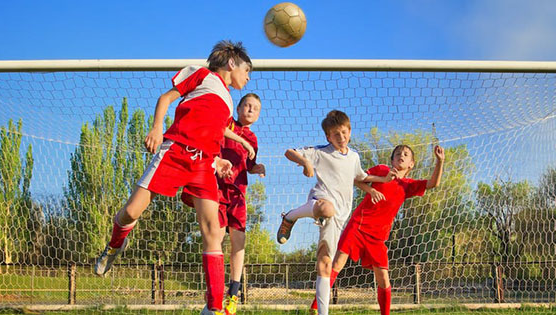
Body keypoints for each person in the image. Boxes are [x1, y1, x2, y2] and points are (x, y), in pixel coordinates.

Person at [93, 40, 253, 315]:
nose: (248, 77)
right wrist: (157, 128)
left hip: (203, 164)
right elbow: (165, 99)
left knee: (213, 231)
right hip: (175, 151)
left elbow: (212, 130)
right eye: (247, 70)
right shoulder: (202, 75)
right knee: (131, 212)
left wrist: (219, 158)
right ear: (231, 63)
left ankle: (214, 307)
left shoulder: (228, 102)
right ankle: (114, 245)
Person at [276, 110, 394, 315]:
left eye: (344, 132)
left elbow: (361, 177)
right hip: (320, 201)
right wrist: (305, 162)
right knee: (326, 208)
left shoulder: (354, 157)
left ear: (349, 131)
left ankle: (322, 312)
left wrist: (380, 183)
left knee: (325, 262)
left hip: (340, 215)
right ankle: (290, 216)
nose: (341, 137)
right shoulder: (321, 152)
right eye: (335, 134)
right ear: (328, 137)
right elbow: (289, 151)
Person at [316, 144, 445, 315]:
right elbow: (355, 178)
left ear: (411, 164)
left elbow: (433, 183)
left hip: (378, 236)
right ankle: (315, 308)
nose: (402, 155)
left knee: (383, 277)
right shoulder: (382, 170)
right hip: (359, 225)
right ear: (392, 160)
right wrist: (370, 190)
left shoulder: (408, 185)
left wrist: (440, 161)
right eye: (398, 153)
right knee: (338, 263)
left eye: (406, 154)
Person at [217, 93, 265, 315]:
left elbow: (249, 165)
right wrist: (240, 140)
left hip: (238, 193)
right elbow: (218, 133)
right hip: (216, 189)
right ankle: (214, 295)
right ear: (237, 108)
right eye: (247, 105)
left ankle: (233, 295)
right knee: (215, 240)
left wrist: (258, 169)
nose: (250, 109)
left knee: (239, 241)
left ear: (258, 115)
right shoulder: (226, 122)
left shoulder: (253, 139)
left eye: (255, 108)